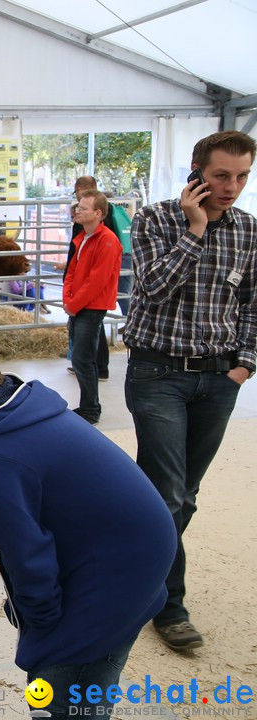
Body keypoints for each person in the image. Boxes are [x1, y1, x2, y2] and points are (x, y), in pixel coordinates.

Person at [0, 320, 175, 719]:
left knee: (58, 688)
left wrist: (43, 623)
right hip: (136, 547)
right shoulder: (11, 406)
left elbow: (23, 546)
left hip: (122, 567)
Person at [123, 130, 257, 652]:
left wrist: (244, 366)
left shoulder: (249, 230)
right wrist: (195, 230)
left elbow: (252, 304)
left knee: (185, 496)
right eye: (222, 175)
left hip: (220, 379)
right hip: (159, 376)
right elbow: (153, 288)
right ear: (197, 173)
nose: (232, 187)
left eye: (242, 176)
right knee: (168, 494)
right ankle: (165, 604)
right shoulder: (156, 219)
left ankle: (131, 568)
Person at [62, 189, 121, 424]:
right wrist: (68, 300)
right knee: (81, 358)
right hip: (79, 305)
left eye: (83, 208)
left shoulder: (107, 241)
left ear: (98, 213)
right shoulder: (82, 239)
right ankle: (89, 405)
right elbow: (72, 271)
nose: (77, 211)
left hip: (91, 307)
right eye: (78, 207)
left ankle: (91, 409)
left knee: (83, 359)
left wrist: (74, 304)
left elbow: (97, 280)